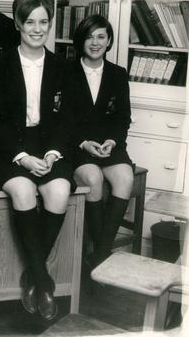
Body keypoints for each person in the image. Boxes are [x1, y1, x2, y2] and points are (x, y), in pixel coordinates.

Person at [0, 0, 74, 321]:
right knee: (23, 190)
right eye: (30, 21)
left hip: (48, 146)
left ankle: (33, 274)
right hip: (8, 148)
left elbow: (67, 121)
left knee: (60, 190)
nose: (37, 28)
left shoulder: (62, 66)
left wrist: (51, 154)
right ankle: (43, 281)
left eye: (44, 22)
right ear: (19, 24)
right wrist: (21, 156)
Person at [70, 14, 134, 270]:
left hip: (110, 146)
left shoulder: (118, 74)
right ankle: (103, 254)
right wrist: (84, 143)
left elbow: (123, 118)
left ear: (109, 42)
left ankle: (99, 253)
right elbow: (61, 120)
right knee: (93, 178)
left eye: (101, 37)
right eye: (89, 37)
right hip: (79, 147)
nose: (95, 43)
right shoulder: (66, 71)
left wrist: (111, 141)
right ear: (80, 41)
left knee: (125, 177)